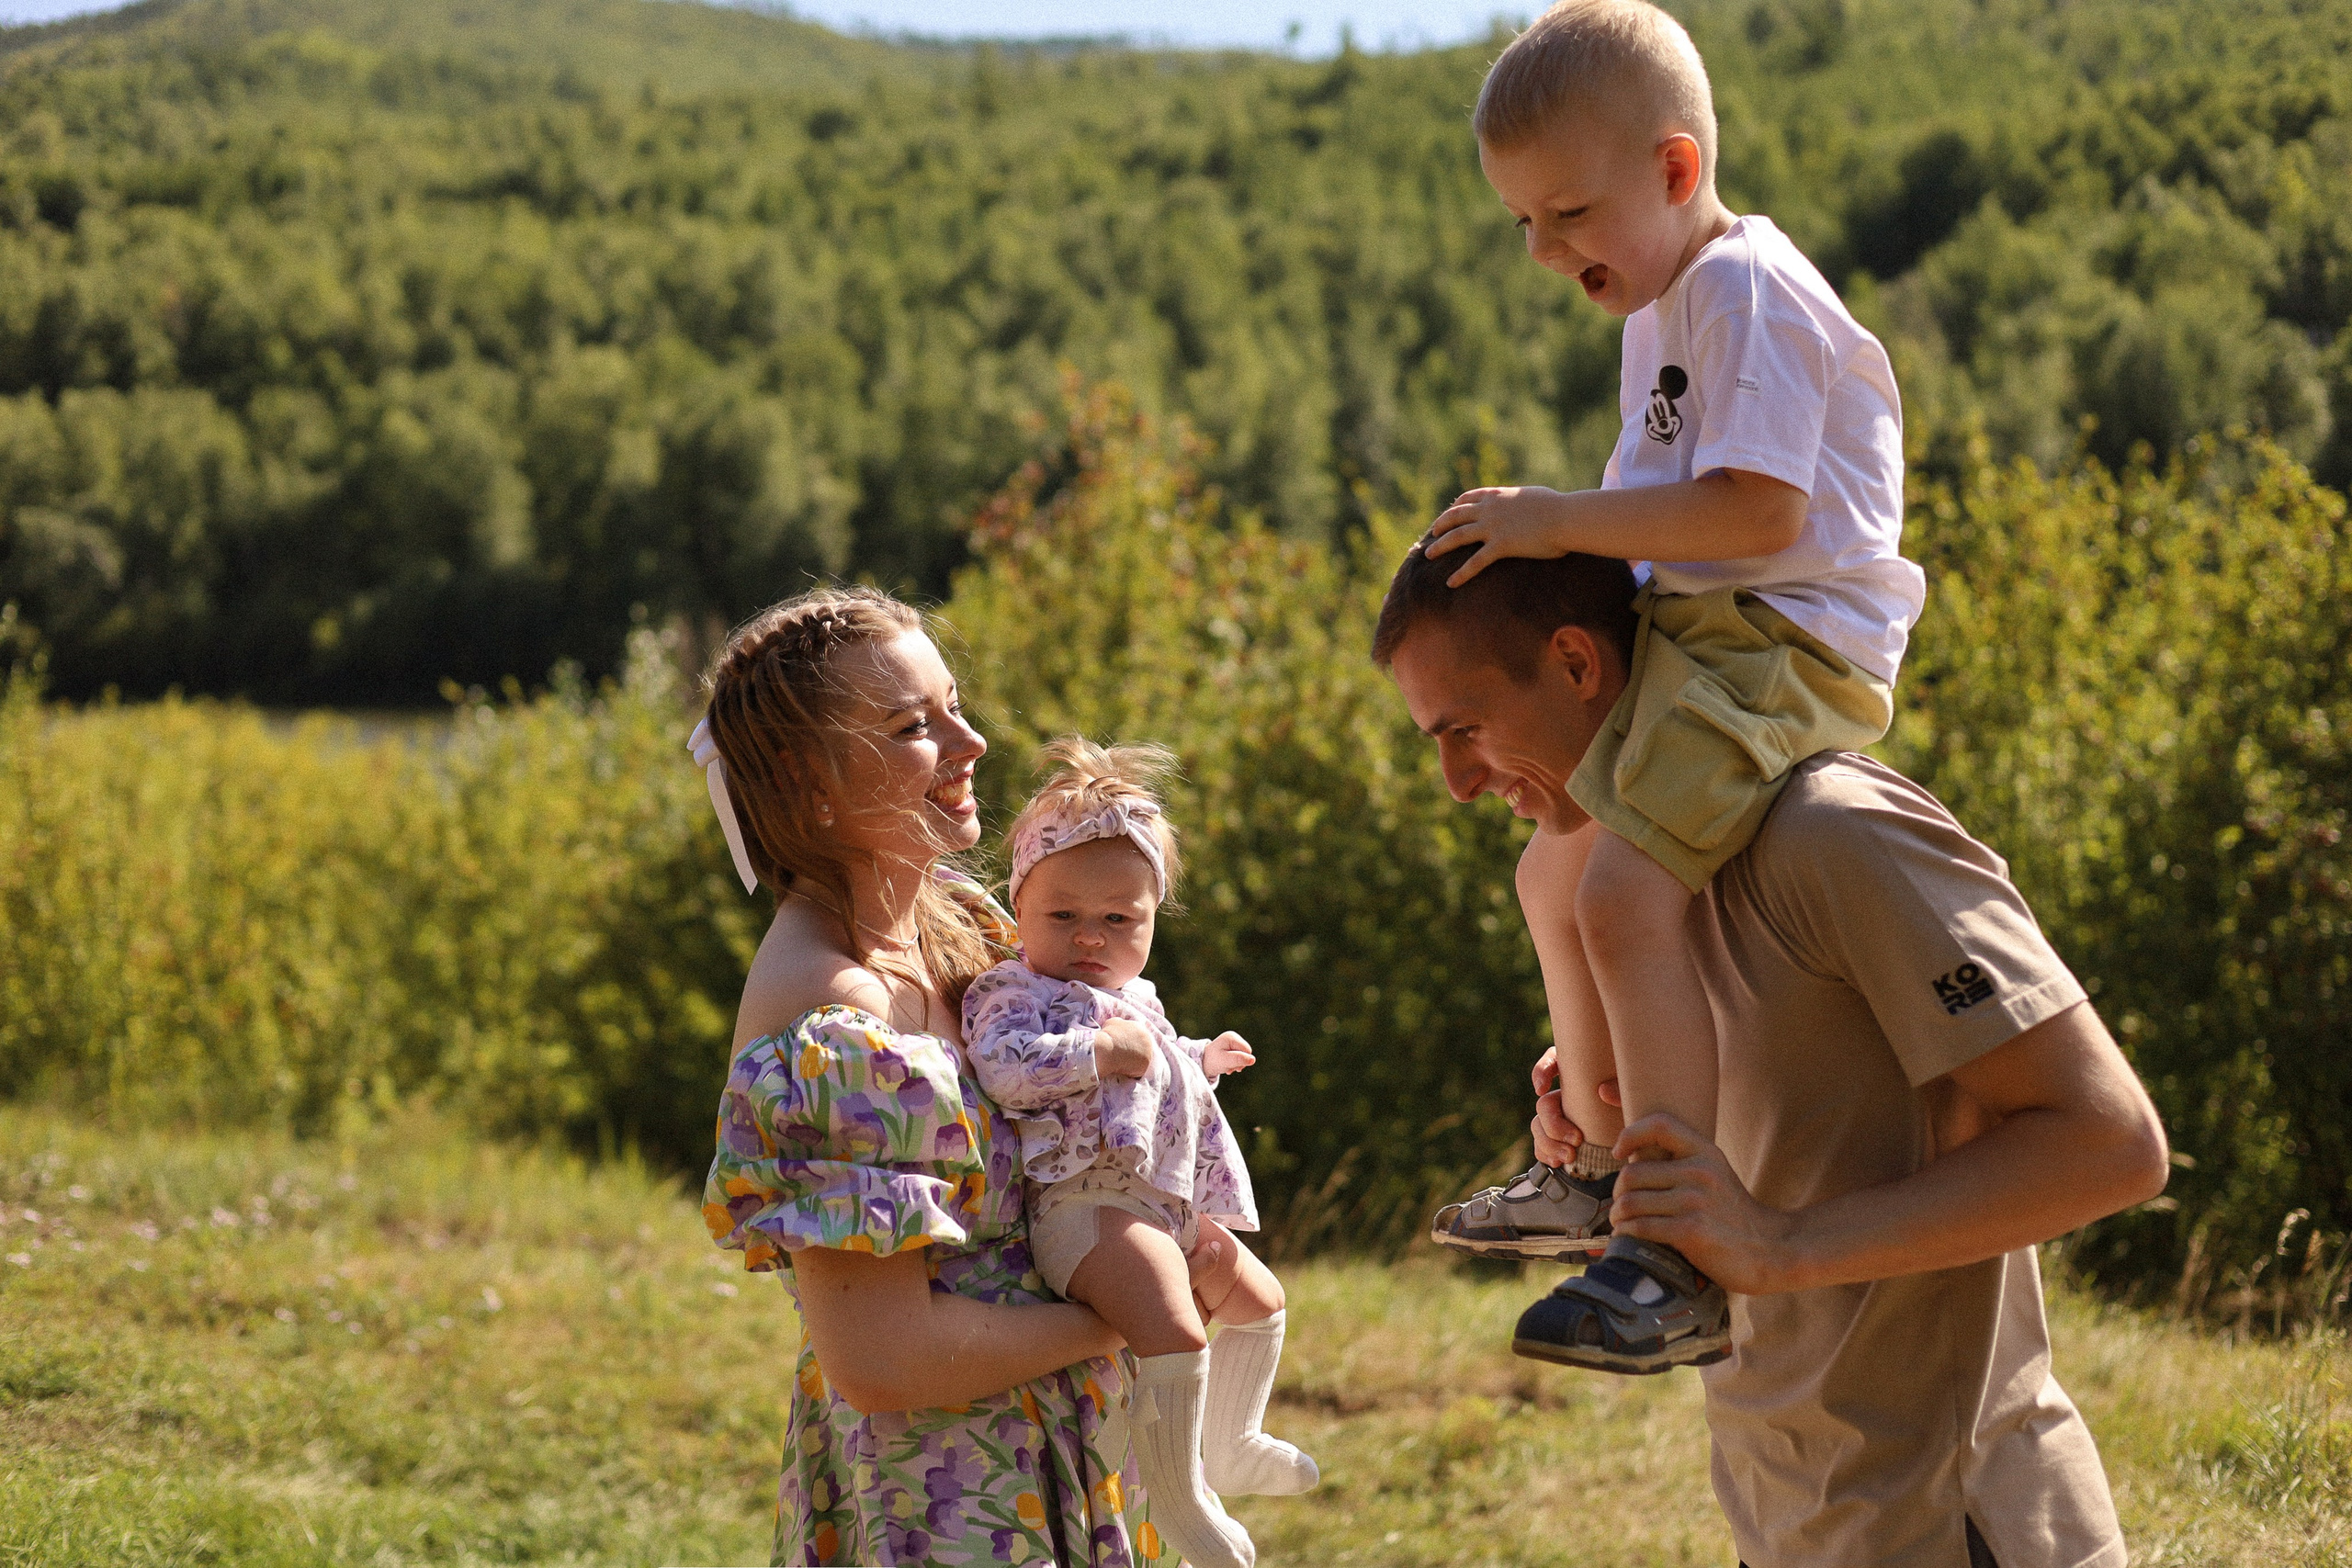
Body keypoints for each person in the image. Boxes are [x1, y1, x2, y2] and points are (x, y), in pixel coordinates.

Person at [1374, 544, 2168, 1567]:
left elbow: (2110, 1143)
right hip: (1780, 1521)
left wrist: (1782, 1244)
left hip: (1953, 1525)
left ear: (1575, 664)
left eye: (1465, 729)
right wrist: (1601, 1140)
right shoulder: (1624, 899)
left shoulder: (1835, 833)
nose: (1455, 783)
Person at [1419, 0, 1927, 1374]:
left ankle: (1673, 1253)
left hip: (1781, 644)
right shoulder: (1666, 300)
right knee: (1551, 868)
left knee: (1624, 897)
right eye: (1522, 222)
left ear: (1676, 169)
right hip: (1705, 636)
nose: (1546, 249)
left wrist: (1555, 521)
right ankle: (1591, 1157)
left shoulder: (1744, 289)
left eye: (1570, 212)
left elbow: (1759, 511)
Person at [694, 586, 1184, 1567]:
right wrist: (1115, 1319)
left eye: (953, 705)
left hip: (1057, 1450)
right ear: (809, 780)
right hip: (946, 1503)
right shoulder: (836, 1015)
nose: (972, 742)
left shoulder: (959, 921)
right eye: (914, 726)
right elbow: (883, 1360)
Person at [963, 739, 1317, 1568]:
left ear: (1152, 918)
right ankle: (1184, 1503)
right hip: (1084, 1207)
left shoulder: (1137, 999)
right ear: (1021, 906)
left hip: (1158, 1204)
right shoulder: (1013, 990)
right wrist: (1095, 1050)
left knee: (1258, 1298)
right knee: (1177, 1331)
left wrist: (1199, 1058)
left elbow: (1150, 1075)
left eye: (1119, 919)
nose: (1091, 935)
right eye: (1063, 916)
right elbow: (1003, 1066)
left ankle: (1233, 1441)